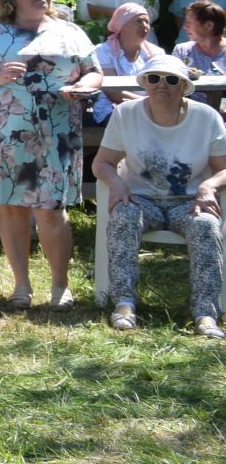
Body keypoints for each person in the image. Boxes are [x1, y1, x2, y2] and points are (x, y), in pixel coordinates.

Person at [0, 0, 104, 308]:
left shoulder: (69, 31)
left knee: (51, 210)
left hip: (56, 129)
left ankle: (60, 286)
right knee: (11, 209)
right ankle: (21, 286)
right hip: (3, 131)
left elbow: (95, 71)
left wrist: (83, 86)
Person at [92, 59, 226, 338]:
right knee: (124, 217)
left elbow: (223, 167)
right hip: (140, 198)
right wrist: (116, 183)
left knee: (205, 226)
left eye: (172, 80)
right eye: (154, 78)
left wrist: (208, 187)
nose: (162, 85)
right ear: (145, 84)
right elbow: (102, 163)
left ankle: (206, 313)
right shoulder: (126, 114)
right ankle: (124, 304)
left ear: (184, 87)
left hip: (188, 200)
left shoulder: (206, 117)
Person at [91, 2, 165, 126]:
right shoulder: (102, 51)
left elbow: (161, 86)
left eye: (146, 21)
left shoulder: (156, 53)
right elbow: (113, 93)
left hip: (151, 108)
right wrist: (148, 104)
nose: (144, 26)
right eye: (138, 21)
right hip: (113, 108)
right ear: (122, 26)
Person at [173, 0, 226, 87]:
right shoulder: (182, 51)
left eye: (189, 22)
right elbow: (171, 82)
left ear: (209, 25)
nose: (185, 27)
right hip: (188, 100)